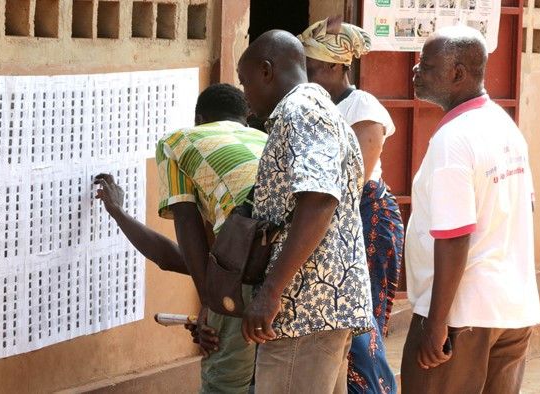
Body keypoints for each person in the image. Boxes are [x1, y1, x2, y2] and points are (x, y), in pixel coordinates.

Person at [95, 83, 268, 393]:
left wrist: (210, 306)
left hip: (250, 268)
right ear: (246, 119)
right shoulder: (263, 141)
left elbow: (185, 222)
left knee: (225, 383)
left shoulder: (178, 142)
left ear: (199, 119)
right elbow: (180, 258)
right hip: (295, 265)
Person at [401, 26, 540, 393]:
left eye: (426, 65)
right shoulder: (503, 125)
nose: (416, 71)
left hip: (462, 315)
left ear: (457, 74)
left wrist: (436, 322)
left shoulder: (454, 139)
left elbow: (455, 235)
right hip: (511, 308)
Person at [237, 30, 374, 393]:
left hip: (305, 309)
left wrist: (271, 291)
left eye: (244, 80)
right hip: (318, 310)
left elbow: (319, 199)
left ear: (266, 71)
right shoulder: (314, 109)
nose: (245, 95)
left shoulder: (303, 111)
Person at [298, 16, 404, 394]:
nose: (302, 76)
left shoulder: (363, 107)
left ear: (332, 66)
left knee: (361, 320)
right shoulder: (313, 105)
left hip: (364, 217)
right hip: (336, 220)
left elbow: (353, 180)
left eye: (308, 68)